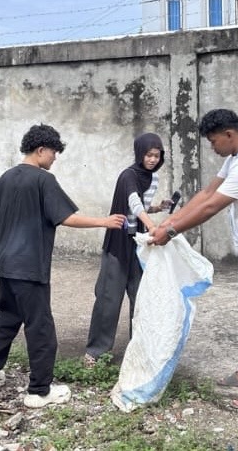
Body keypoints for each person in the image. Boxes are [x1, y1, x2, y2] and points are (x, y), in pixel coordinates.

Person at [0, 124, 126, 408]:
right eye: (54, 152)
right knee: (40, 328)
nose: (55, 158)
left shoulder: (6, 177)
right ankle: (39, 391)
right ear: (41, 150)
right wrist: (104, 221)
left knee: (8, 317)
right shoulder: (44, 180)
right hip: (29, 268)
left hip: (6, 265)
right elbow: (67, 217)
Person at [149, 108, 238, 408]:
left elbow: (213, 206)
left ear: (229, 134)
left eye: (214, 142)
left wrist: (171, 231)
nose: (212, 148)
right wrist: (169, 221)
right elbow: (206, 194)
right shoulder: (235, 158)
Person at [84, 132, 174, 367]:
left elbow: (142, 206)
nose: (152, 159)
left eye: (157, 155)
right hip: (118, 242)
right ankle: (96, 352)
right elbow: (133, 203)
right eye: (149, 155)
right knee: (108, 298)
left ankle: (140, 350)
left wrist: (157, 208)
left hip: (139, 243)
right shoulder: (128, 176)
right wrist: (153, 226)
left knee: (140, 297)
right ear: (139, 153)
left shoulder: (152, 178)